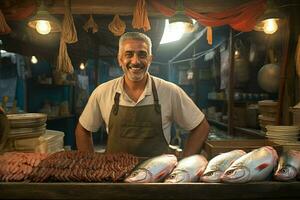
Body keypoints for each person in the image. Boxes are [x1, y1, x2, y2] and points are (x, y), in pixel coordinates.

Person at [75, 32, 210, 157]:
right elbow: (82, 130)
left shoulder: (169, 91)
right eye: (129, 54)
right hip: (115, 178)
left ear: (150, 59)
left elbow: (200, 126)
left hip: (157, 178)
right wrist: (90, 165)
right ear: (120, 59)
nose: (135, 61)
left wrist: (185, 166)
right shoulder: (102, 92)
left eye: (142, 54)